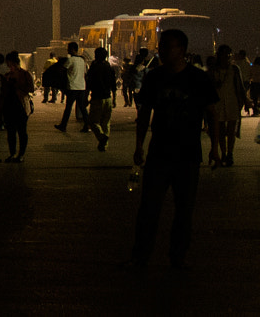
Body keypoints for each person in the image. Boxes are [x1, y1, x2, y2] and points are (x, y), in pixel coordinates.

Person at [134, 28, 215, 267]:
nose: (162, 50)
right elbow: (144, 113)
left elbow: (212, 113)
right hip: (159, 152)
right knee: (149, 208)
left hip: (188, 155)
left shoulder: (198, 79)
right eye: (162, 45)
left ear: (182, 50)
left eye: (168, 46)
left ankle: (177, 255)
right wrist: (138, 146)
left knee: (184, 210)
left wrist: (216, 147)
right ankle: (141, 255)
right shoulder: (154, 77)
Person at [206, 44, 246, 167]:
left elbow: (240, 87)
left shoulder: (234, 69)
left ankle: (230, 153)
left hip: (232, 102)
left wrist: (244, 101)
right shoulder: (213, 71)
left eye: (228, 55)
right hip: (218, 104)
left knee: (231, 131)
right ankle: (223, 152)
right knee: (221, 130)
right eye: (224, 55)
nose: (226, 58)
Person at [0, 52, 34, 161]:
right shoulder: (7, 75)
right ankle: (13, 153)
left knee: (21, 131)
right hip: (9, 106)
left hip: (21, 105)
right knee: (11, 132)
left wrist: (16, 85)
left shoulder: (25, 74)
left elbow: (31, 88)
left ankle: (21, 154)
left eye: (9, 63)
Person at [86, 45, 117, 151]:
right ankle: (104, 144)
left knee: (93, 121)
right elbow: (114, 85)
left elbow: (89, 83)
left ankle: (102, 137)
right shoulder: (109, 67)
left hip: (97, 97)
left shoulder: (94, 67)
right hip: (108, 97)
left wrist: (86, 97)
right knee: (106, 122)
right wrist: (114, 99)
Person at [54, 41, 88, 132]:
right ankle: (87, 125)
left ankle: (63, 125)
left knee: (68, 108)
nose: (67, 50)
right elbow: (84, 73)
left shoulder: (70, 60)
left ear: (72, 49)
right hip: (81, 86)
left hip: (72, 87)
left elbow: (62, 70)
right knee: (82, 108)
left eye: (68, 48)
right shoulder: (82, 60)